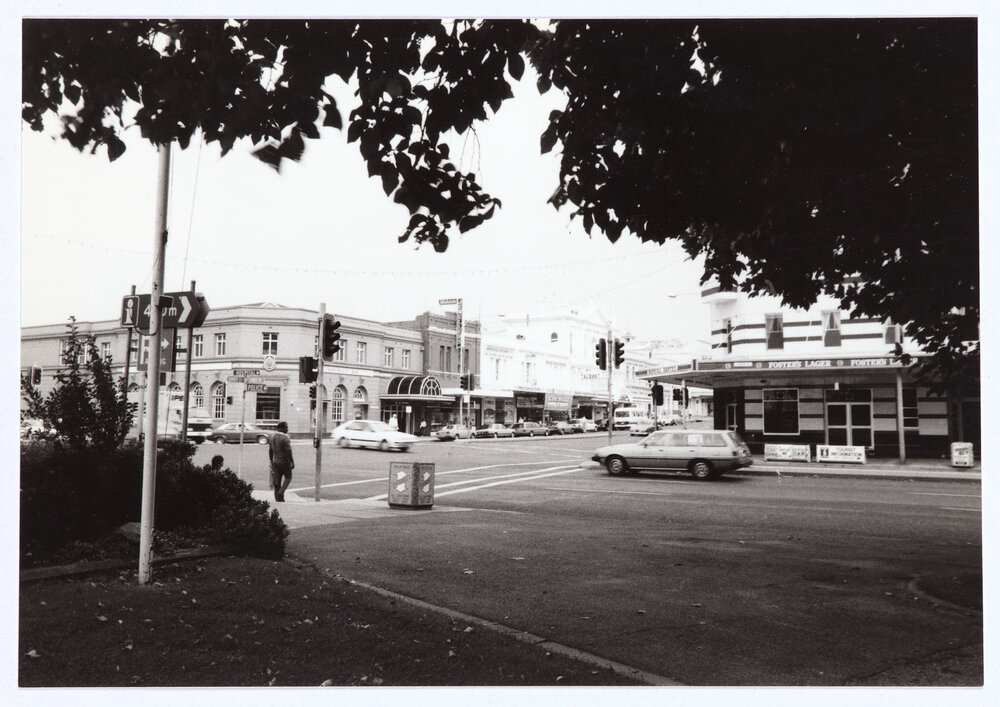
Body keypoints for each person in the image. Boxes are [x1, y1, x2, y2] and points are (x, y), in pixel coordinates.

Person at [267, 421, 294, 502]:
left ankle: (278, 499)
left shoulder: (272, 437)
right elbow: (288, 451)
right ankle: (281, 492)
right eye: (286, 427)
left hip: (275, 462)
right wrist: (292, 461)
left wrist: (271, 460)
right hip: (284, 461)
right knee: (288, 478)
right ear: (281, 428)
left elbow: (270, 450)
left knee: (277, 481)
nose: (287, 429)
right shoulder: (285, 438)